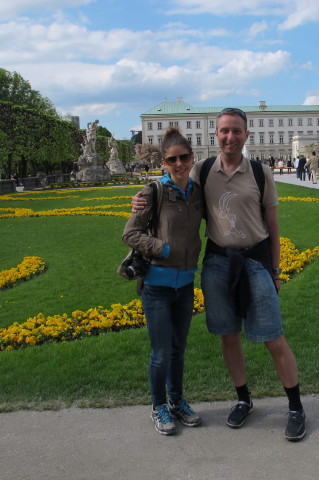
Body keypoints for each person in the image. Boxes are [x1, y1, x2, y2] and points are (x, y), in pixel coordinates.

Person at [133, 108, 306, 441]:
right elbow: (173, 184)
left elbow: (272, 226)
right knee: (228, 335)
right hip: (217, 263)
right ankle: (243, 400)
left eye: (237, 131)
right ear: (216, 135)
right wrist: (140, 199)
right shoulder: (203, 169)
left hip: (255, 261)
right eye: (225, 131)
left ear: (246, 135)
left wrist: (276, 270)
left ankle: (296, 407)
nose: (230, 137)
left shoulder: (259, 172)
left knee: (273, 337)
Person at [122, 127, 204, 436]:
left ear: (192, 158)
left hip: (184, 286)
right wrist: (162, 248)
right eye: (173, 160)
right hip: (156, 286)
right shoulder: (153, 192)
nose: (179, 163)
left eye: (184, 157)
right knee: (160, 353)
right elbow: (129, 233)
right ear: (164, 164)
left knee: (178, 349)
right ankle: (158, 407)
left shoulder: (197, 192)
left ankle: (177, 401)